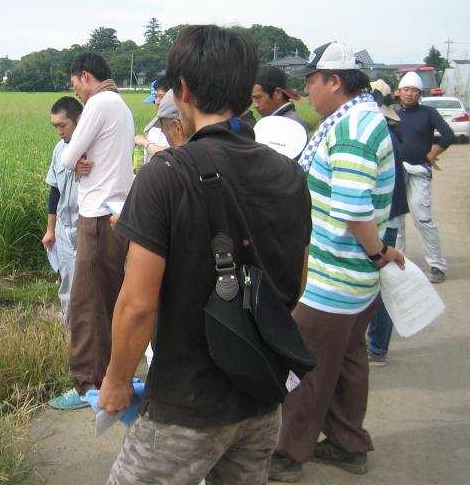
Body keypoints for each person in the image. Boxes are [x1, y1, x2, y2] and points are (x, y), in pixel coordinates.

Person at [98, 25, 312, 484]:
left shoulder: (167, 174)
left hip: (186, 407)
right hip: (260, 398)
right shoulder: (290, 175)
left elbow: (137, 305)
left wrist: (116, 381)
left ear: (185, 90)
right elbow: (297, 283)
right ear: (246, 92)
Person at [270, 42, 405, 482]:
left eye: (311, 81)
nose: (307, 91)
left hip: (334, 279)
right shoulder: (362, 119)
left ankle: (288, 455)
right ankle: (349, 445)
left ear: (334, 81)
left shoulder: (352, 130)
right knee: (348, 361)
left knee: (305, 368)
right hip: (356, 282)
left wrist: (380, 253)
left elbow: (352, 210)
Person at [47, 52, 135, 410]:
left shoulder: (100, 103)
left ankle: (87, 386)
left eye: (75, 86)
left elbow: (67, 159)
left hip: (97, 216)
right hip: (117, 214)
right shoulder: (123, 107)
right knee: (109, 299)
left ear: (86, 76)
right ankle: (115, 375)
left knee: (86, 304)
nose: (78, 94)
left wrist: (76, 161)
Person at [395, 71, 455, 283]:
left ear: (420, 93)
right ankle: (397, 263)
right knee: (396, 221)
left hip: (419, 170)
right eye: (406, 90)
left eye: (414, 91)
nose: (409, 94)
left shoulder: (428, 113)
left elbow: (448, 135)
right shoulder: (391, 113)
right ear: (399, 92)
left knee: (423, 218)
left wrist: (432, 154)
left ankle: (436, 265)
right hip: (395, 172)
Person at [366, 80, 409, 365]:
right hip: (387, 219)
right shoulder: (389, 134)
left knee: (382, 285)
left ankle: (378, 347)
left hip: (385, 221)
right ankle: (376, 345)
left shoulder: (382, 136)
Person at [41, 96, 83, 324]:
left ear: (79, 120)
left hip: (86, 226)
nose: (59, 131)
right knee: (67, 283)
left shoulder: (94, 148)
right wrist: (50, 230)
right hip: (63, 229)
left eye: (63, 125)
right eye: (55, 126)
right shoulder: (59, 149)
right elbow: (54, 191)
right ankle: (71, 335)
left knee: (88, 285)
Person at [252, 65, 309, 131]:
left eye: (258, 97)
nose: (255, 105)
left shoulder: (289, 125)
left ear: (277, 93)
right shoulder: (275, 121)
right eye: (252, 98)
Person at [135, 76, 170, 160]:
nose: (157, 102)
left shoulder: (180, 125)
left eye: (161, 97)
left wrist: (145, 142)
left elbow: (173, 154)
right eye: (155, 97)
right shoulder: (152, 127)